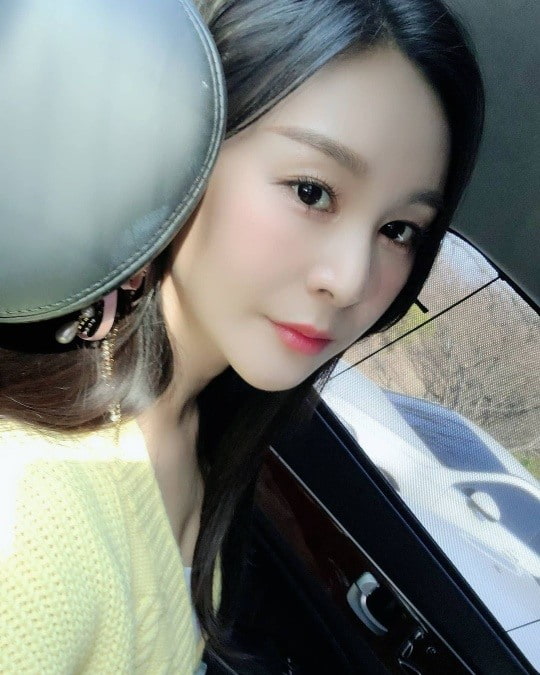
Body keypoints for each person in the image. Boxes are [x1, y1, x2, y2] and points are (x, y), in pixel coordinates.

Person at [0, 0, 484, 672]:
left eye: (398, 231)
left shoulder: (199, 437)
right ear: (179, 153)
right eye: (311, 191)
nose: (351, 280)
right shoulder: (30, 513)